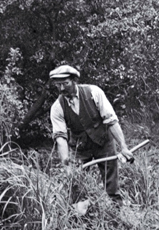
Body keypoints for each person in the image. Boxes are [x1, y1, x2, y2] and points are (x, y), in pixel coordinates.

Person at [49, 64, 133, 205]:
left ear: (74, 80)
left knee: (111, 180)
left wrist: (123, 147)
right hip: (80, 148)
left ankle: (115, 210)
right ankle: (84, 214)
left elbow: (111, 121)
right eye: (58, 85)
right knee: (78, 183)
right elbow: (61, 138)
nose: (62, 89)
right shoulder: (57, 107)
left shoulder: (94, 93)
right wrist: (66, 164)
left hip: (103, 142)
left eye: (65, 83)